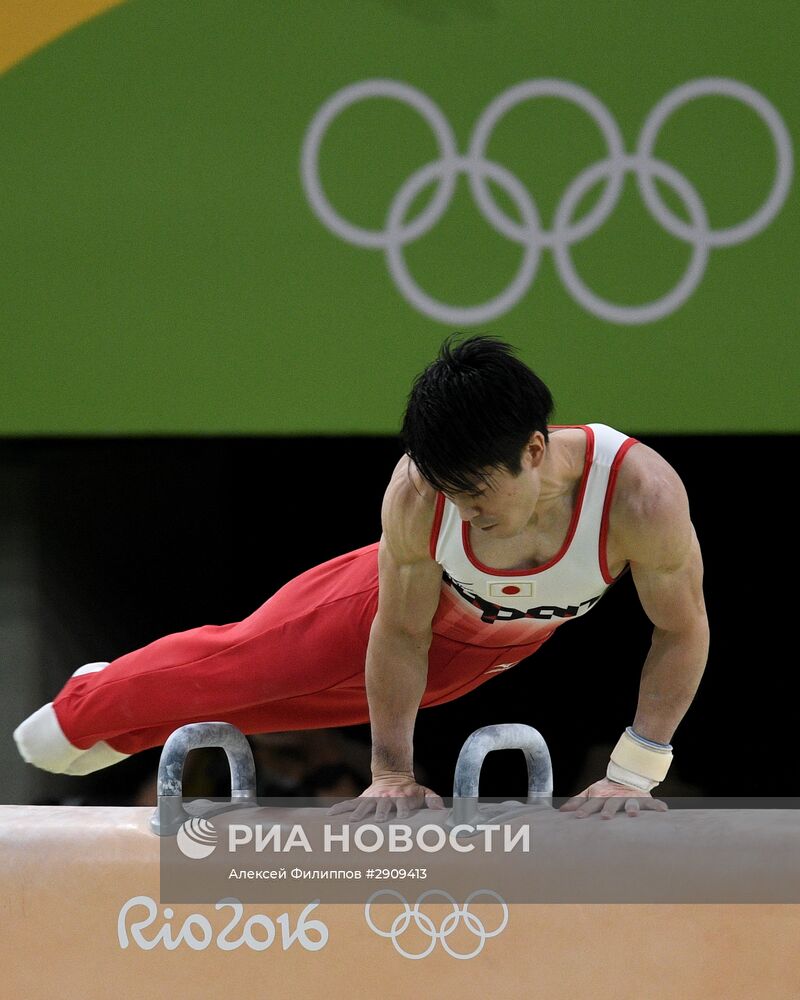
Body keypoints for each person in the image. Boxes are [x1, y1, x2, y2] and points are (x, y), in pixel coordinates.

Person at [14, 335, 709, 819]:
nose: (463, 513)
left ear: (534, 450)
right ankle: (89, 705)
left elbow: (679, 631)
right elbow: (402, 633)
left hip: (491, 656)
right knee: (246, 670)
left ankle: (120, 718)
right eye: (449, 494)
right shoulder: (418, 495)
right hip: (380, 609)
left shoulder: (638, 497)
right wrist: (392, 775)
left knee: (274, 711)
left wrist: (633, 774)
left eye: (476, 495)